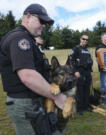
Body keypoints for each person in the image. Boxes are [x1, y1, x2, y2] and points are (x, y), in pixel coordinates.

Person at [0, 4, 67, 135]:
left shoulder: (27, 39)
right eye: (41, 21)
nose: (44, 25)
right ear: (28, 17)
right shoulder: (20, 38)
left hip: (34, 100)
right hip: (25, 103)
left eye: (46, 22)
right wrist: (57, 96)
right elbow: (28, 76)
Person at [70, 34, 93, 116]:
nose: (85, 41)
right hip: (79, 72)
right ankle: (79, 109)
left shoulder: (87, 50)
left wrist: (91, 71)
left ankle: (86, 106)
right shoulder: (76, 49)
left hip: (87, 72)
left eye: (87, 40)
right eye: (84, 39)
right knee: (80, 91)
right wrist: (75, 71)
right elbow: (71, 60)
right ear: (80, 39)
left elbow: (90, 61)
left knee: (87, 90)